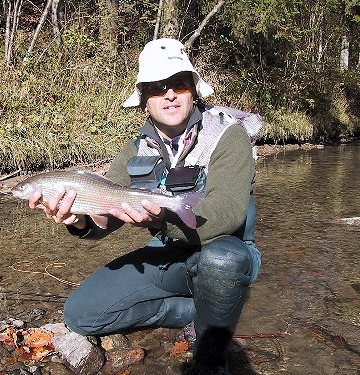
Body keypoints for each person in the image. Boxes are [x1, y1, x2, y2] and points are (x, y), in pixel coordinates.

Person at [29, 38, 262, 374]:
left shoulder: (228, 136)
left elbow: (228, 215)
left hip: (225, 251)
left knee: (223, 259)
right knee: (82, 315)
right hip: (169, 254)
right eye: (156, 87)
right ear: (143, 100)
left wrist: (158, 219)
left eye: (179, 84)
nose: (169, 94)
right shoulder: (134, 150)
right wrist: (77, 220)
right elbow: (106, 215)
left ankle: (211, 357)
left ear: (193, 90)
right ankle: (194, 310)